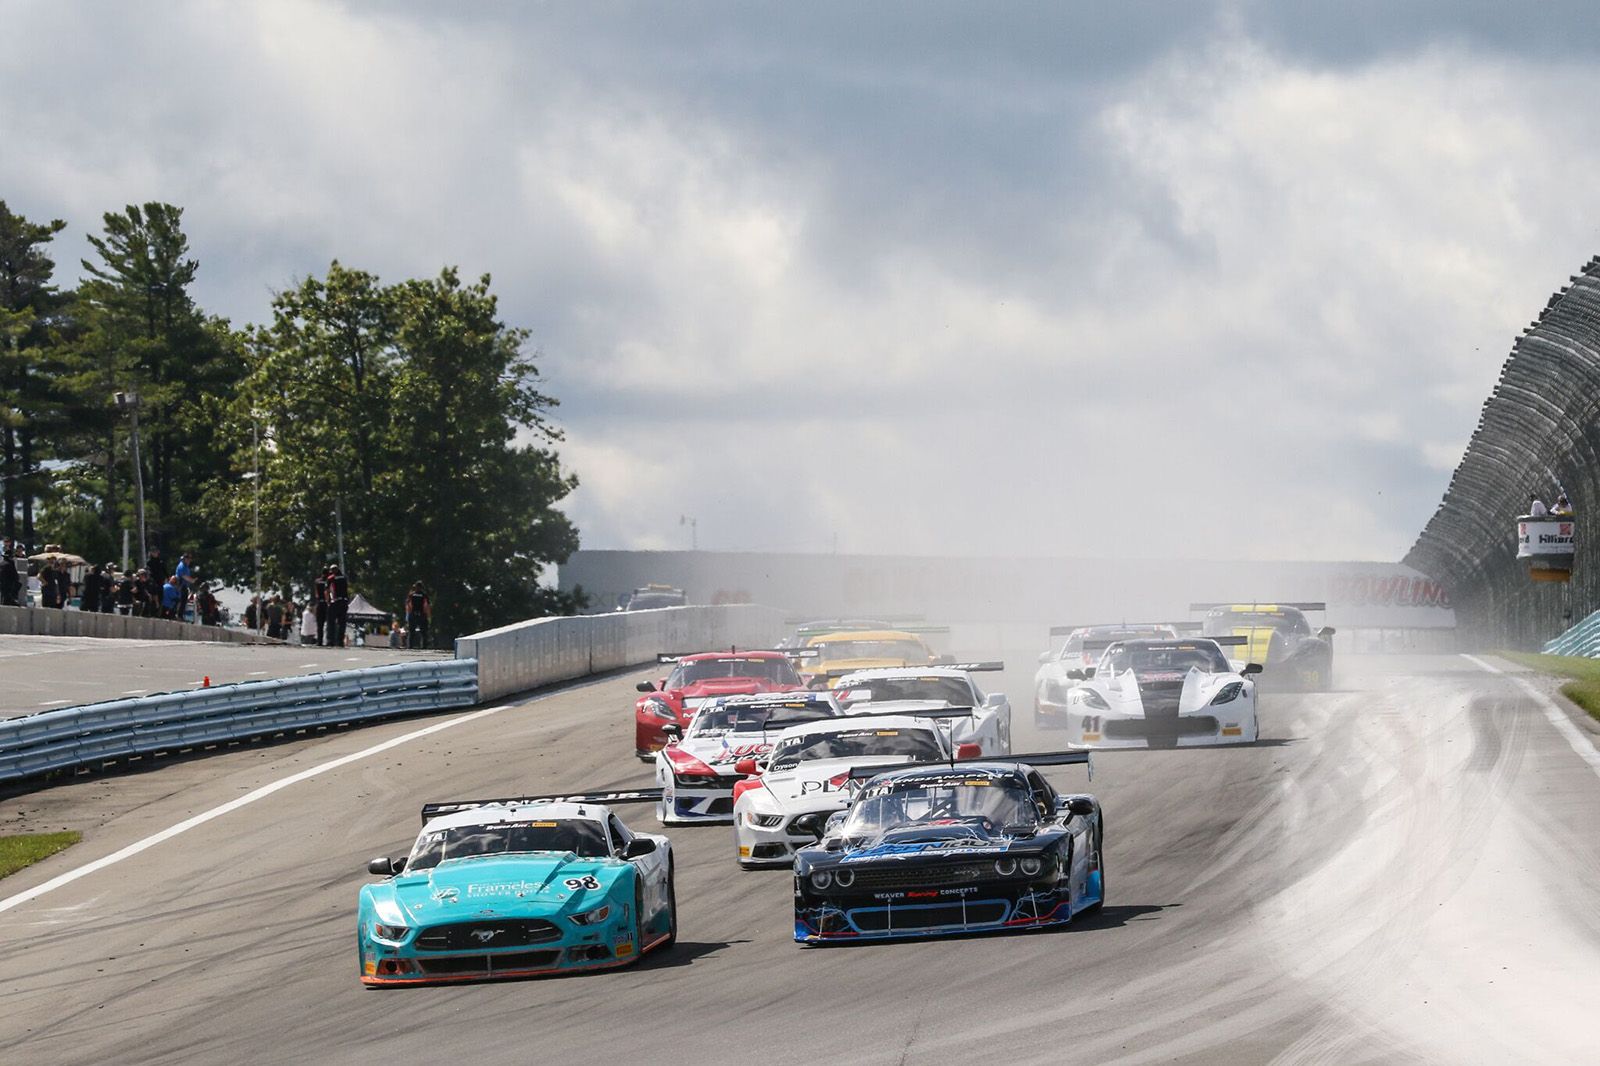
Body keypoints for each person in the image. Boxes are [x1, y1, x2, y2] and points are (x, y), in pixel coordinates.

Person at [325, 565, 349, 648]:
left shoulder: (331, 578)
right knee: (342, 623)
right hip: (344, 601)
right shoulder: (344, 577)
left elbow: (327, 591)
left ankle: (330, 641)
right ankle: (340, 642)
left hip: (335, 602)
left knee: (331, 622)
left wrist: (328, 602)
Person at [405, 581, 431, 650]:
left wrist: (408, 615)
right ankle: (424, 647)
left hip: (413, 614)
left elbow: (408, 605)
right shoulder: (424, 595)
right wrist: (428, 616)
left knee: (411, 632)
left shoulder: (411, 595)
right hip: (422, 615)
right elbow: (426, 606)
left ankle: (410, 646)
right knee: (424, 632)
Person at [0, 541, 19, 607]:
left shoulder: (1, 564)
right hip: (9, 586)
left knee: (2, 598)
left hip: (2, 585)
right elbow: (15, 576)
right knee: (7, 601)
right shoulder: (10, 563)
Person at [313, 568, 329, 646]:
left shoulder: (317, 581)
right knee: (329, 622)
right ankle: (330, 641)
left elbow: (316, 593)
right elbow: (328, 592)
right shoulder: (328, 581)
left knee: (320, 624)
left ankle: (319, 641)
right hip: (326, 603)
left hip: (319, 603)